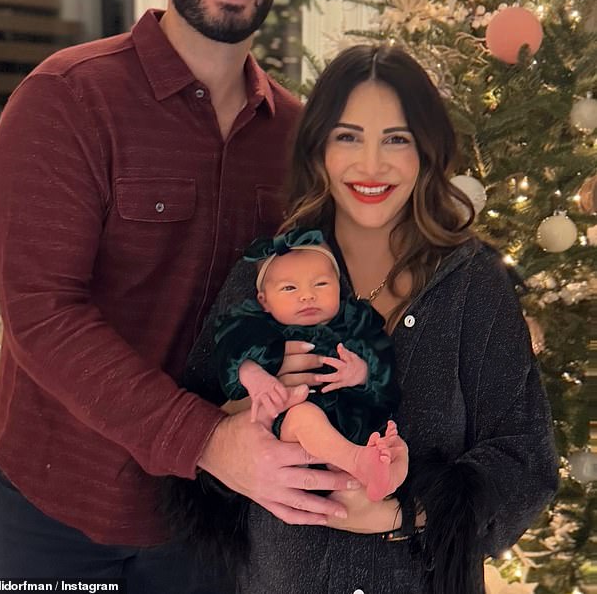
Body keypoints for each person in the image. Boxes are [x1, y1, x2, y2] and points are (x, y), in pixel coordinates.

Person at [0, 0, 356, 593]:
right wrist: (207, 439)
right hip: (61, 507)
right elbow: (43, 317)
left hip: (208, 521)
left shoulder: (297, 135)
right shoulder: (67, 100)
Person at [181, 44, 559, 594]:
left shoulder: (473, 282)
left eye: (397, 140)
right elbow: (193, 425)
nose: (372, 165)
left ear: (427, 151)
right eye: (349, 136)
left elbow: (525, 460)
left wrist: (403, 513)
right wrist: (254, 401)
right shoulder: (268, 270)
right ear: (319, 150)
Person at [214, 229, 408, 501]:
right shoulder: (257, 326)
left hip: (352, 421)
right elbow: (233, 351)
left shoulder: (355, 322)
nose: (307, 296)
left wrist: (362, 373)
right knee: (304, 416)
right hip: (292, 426)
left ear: (339, 288)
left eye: (321, 284)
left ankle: (383, 475)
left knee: (394, 443)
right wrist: (256, 376)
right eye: (289, 288)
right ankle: (356, 461)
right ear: (264, 301)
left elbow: (385, 364)